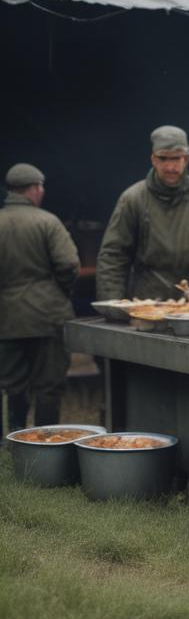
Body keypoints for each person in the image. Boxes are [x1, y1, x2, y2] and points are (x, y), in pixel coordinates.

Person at [96, 126, 189, 301]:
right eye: (163, 158)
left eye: (176, 158)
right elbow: (113, 257)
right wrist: (112, 305)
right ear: (153, 160)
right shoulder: (133, 199)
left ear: (186, 159)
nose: (170, 166)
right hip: (149, 304)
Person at [0, 164, 80, 432]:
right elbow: (69, 264)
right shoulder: (48, 222)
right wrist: (60, 291)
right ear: (34, 188)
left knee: (13, 385)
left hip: (7, 318)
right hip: (48, 315)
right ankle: (44, 444)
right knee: (48, 385)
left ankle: (14, 441)